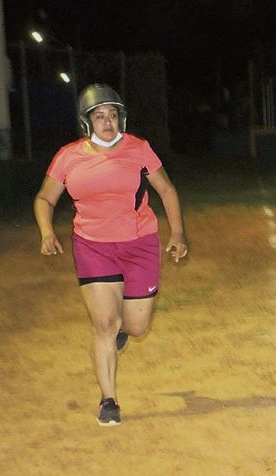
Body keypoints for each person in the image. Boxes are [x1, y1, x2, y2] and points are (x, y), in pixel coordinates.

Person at [34, 84, 188, 426]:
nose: (108, 122)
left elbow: (166, 189)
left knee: (136, 325)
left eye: (113, 115)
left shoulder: (138, 149)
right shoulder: (68, 156)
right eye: (100, 116)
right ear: (87, 122)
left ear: (122, 118)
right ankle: (108, 399)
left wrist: (177, 232)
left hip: (139, 244)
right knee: (103, 324)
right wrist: (47, 231)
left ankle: (122, 331)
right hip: (93, 246)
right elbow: (44, 199)